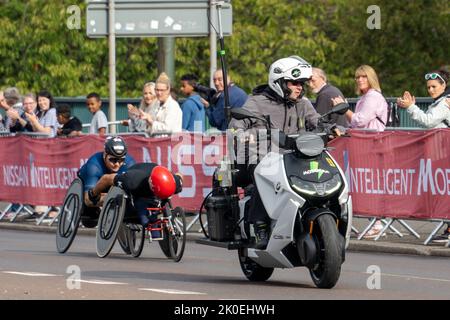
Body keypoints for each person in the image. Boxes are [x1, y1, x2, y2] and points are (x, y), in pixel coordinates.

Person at [230, 56, 321, 249]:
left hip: (294, 157)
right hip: (263, 157)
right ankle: (260, 225)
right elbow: (237, 123)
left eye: (302, 83)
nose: (299, 87)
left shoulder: (302, 103)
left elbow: (317, 121)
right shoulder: (257, 102)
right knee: (265, 178)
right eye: (294, 83)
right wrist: (241, 133)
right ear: (279, 82)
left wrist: (333, 127)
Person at [333, 65, 388, 239]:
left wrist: (344, 108)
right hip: (366, 145)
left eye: (364, 76)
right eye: (357, 77)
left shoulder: (372, 97)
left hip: (372, 145)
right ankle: (376, 222)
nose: (360, 80)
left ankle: (378, 223)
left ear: (371, 78)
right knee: (367, 183)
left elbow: (360, 120)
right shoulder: (366, 97)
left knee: (371, 183)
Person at [397, 70, 450, 243]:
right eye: (428, 87)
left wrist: (411, 107)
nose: (431, 90)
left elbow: (428, 121)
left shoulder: (444, 103)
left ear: (444, 85)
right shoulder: (439, 102)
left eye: (434, 86)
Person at [77, 136, 136, 226]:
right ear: (105, 155)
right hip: (93, 185)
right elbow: (88, 200)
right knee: (90, 221)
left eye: (121, 160)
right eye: (113, 160)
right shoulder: (94, 165)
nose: (117, 164)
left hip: (111, 189)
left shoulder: (129, 163)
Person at [113, 163, 183, 238]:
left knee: (155, 233)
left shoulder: (175, 183)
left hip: (157, 180)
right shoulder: (132, 180)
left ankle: (159, 225)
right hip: (139, 191)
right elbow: (110, 179)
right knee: (144, 220)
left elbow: (180, 175)